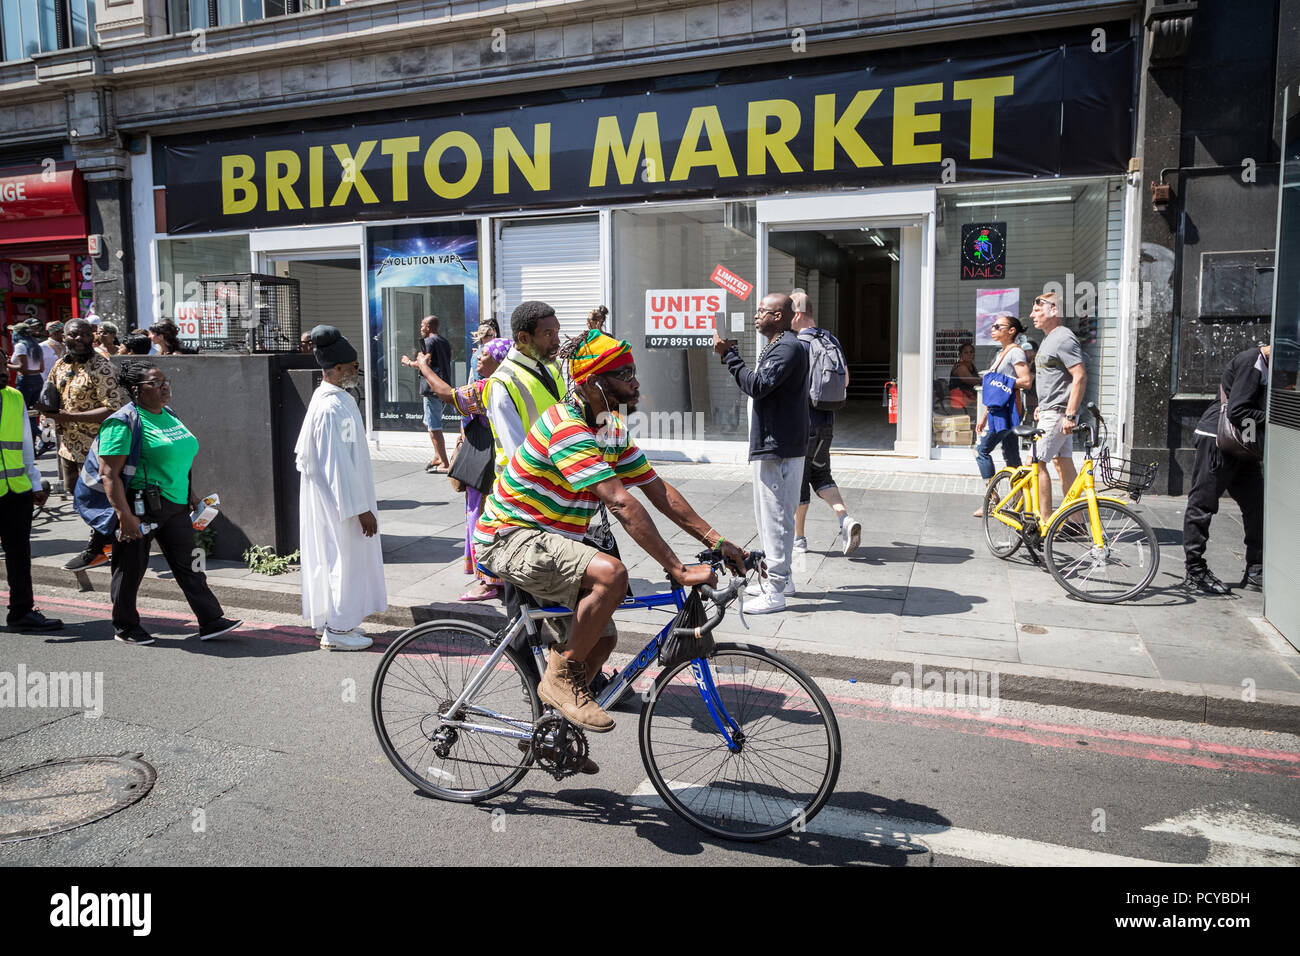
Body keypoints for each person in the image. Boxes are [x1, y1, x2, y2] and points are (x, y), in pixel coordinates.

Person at [475, 328, 745, 740]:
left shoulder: (611, 429)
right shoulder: (567, 427)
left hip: (553, 540)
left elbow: (657, 490)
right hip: (511, 536)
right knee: (612, 576)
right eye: (624, 374)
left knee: (601, 641)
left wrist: (717, 542)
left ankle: (553, 735)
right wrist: (676, 568)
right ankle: (558, 680)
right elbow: (621, 503)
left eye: (633, 372)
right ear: (591, 383)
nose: (635, 382)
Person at [98, 362, 240, 645]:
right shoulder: (123, 422)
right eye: (156, 383)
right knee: (130, 567)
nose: (165, 388)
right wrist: (124, 516)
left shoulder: (169, 414)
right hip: (140, 506)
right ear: (137, 390)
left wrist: (190, 493)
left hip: (175, 504)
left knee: (189, 564)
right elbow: (108, 473)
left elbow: (179, 458)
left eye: (166, 382)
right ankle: (125, 627)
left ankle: (211, 620)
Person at [712, 292, 809, 614]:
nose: (756, 317)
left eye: (762, 312)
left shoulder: (787, 348)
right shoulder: (781, 345)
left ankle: (776, 589)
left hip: (778, 446)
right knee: (772, 516)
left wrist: (729, 356)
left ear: (779, 316)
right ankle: (782, 579)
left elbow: (757, 385)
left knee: (775, 519)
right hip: (777, 443)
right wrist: (732, 354)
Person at [296, 325, 387, 650]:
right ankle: (336, 629)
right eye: (351, 367)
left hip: (345, 500)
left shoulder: (337, 400)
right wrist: (361, 509)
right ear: (335, 369)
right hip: (340, 504)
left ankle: (345, 623)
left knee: (347, 560)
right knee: (339, 560)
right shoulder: (330, 407)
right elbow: (337, 466)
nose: (356, 371)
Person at [405, 337, 512, 601]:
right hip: (502, 467)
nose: (478, 356)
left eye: (484, 353)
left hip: (488, 467)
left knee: (483, 519)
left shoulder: (489, 387)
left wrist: (424, 367)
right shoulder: (513, 382)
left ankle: (489, 581)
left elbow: (447, 395)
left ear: (499, 360)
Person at [35, 319, 129, 568]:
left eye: (85, 335)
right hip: (68, 445)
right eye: (74, 335)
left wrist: (68, 417)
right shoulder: (60, 365)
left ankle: (99, 547)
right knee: (80, 499)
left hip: (96, 448)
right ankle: (105, 541)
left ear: (92, 336)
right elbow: (52, 392)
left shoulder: (101, 367)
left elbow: (115, 409)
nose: (79, 340)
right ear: (63, 337)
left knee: (99, 499)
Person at [1182, 344, 1270, 595]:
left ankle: (1255, 569)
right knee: (1202, 504)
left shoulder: (1267, 366)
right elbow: (1238, 410)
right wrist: (1273, 415)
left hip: (1243, 446)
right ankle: (1195, 571)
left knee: (1257, 506)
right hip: (1218, 440)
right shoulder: (1252, 361)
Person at [789, 289, 861, 556]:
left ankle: (798, 539)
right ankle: (845, 519)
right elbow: (846, 381)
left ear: (796, 314)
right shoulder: (830, 339)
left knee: (800, 478)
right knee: (821, 474)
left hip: (803, 424)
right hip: (827, 421)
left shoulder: (799, 345)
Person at [0, 380, 63, 632]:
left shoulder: (14, 397)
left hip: (16, 489)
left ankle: (21, 611)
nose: (5, 370)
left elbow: (26, 444)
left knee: (19, 555)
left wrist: (34, 481)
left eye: (5, 364)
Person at [483, 301, 565, 470]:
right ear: (524, 338)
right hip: (527, 489)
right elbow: (519, 457)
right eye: (548, 334)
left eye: (557, 332)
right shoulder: (503, 383)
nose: (557, 341)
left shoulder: (553, 366)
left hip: (559, 479)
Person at [1030, 292, 1087, 517]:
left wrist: (1070, 414)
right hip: (1051, 410)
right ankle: (1075, 521)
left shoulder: (1064, 337)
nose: (1032, 314)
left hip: (1059, 414)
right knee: (1063, 463)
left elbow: (1080, 375)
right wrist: (1042, 405)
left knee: (1036, 463)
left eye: (1037, 310)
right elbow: (1056, 377)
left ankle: (1044, 522)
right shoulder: (1049, 338)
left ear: (1054, 310)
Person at [972, 314, 1033, 517]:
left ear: (1011, 331)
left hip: (1009, 412)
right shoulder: (1002, 353)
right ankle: (1019, 500)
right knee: (1011, 454)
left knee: (981, 450)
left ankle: (991, 498)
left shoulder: (1016, 353)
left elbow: (1025, 381)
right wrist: (984, 416)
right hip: (1001, 410)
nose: (993, 329)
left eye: (998, 326)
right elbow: (997, 391)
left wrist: (1006, 380)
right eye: (993, 326)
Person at [418, 314, 453, 474]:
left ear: (429, 327)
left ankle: (445, 463)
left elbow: (425, 363)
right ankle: (438, 456)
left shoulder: (429, 341)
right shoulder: (444, 341)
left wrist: (409, 362)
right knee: (428, 422)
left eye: (422, 325)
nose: (421, 328)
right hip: (443, 386)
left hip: (432, 389)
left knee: (434, 427)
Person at [8, 321, 45, 442]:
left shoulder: (20, 346)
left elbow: (22, 368)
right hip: (37, 379)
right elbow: (41, 368)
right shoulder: (36, 345)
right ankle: (36, 441)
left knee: (21, 412)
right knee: (32, 413)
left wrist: (6, 364)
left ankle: (42, 436)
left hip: (26, 381)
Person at [948, 340, 980, 420]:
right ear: (960, 354)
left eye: (971, 352)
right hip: (960, 400)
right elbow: (973, 381)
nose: (969, 354)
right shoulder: (960, 367)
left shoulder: (971, 365)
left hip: (969, 398)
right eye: (966, 352)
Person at [1021, 339, 1040, 422]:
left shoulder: (1036, 363)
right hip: (1029, 402)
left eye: (1026, 352)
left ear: (1032, 351)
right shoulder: (1030, 363)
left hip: (1034, 402)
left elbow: (1028, 381)